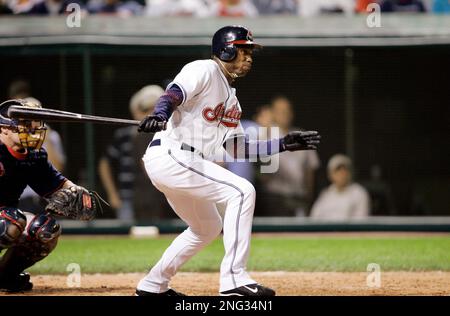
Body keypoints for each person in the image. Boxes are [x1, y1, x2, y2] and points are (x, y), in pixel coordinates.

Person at [135, 25, 321, 296]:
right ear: (226, 49)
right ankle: (234, 279)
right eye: (243, 50)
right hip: (172, 154)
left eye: (250, 53)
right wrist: (161, 113)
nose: (249, 57)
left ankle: (153, 285)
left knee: (207, 227)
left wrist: (282, 144)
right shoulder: (204, 70)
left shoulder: (232, 101)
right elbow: (174, 93)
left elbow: (238, 149)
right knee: (243, 191)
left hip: (185, 163)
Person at [0, 99, 98, 292]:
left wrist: (77, 194)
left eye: (35, 125)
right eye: (26, 125)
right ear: (4, 129)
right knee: (9, 223)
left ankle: (5, 276)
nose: (33, 131)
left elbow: (59, 187)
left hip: (6, 214)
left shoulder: (33, 156)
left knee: (44, 230)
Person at [98, 85, 170, 222]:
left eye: (154, 109)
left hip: (158, 198)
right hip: (128, 198)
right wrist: (112, 194)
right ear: (135, 110)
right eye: (145, 109)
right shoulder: (123, 135)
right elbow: (104, 163)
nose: (150, 114)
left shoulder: (166, 136)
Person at [260, 96, 320, 217]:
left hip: (299, 196)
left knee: (300, 234)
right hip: (275, 196)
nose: (285, 114)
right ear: (273, 113)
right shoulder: (266, 133)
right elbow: (261, 168)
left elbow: (310, 170)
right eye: (281, 111)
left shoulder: (301, 135)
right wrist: (264, 130)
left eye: (287, 111)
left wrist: (309, 196)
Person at [310, 154, 370, 220]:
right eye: (338, 170)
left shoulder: (359, 192)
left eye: (345, 169)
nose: (342, 173)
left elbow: (361, 222)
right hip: (327, 230)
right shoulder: (325, 194)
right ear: (330, 175)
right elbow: (314, 218)